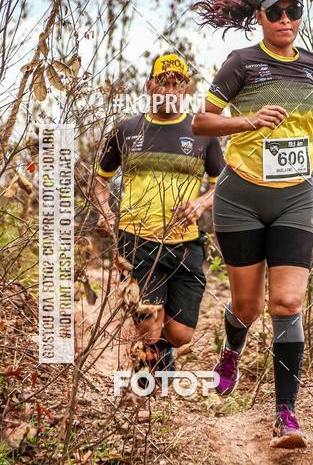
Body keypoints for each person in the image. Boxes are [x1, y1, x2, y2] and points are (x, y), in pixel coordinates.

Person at [192, 0, 313, 448]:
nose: (285, 20)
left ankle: (285, 415)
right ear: (260, 17)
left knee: (287, 303)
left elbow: (304, 115)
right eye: (275, 12)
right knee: (247, 307)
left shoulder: (312, 65)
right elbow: (201, 121)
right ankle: (231, 350)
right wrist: (247, 120)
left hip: (294, 195)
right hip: (240, 197)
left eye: (293, 11)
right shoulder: (241, 62)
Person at [94, 54, 225, 374]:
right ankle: (151, 386)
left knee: (180, 334)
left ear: (186, 90)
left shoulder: (202, 133)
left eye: (177, 84)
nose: (170, 89)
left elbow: (223, 184)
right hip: (136, 241)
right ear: (150, 85)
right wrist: (105, 211)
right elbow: (99, 180)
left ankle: (162, 350)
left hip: (185, 245)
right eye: (163, 82)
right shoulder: (126, 130)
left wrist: (201, 204)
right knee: (150, 324)